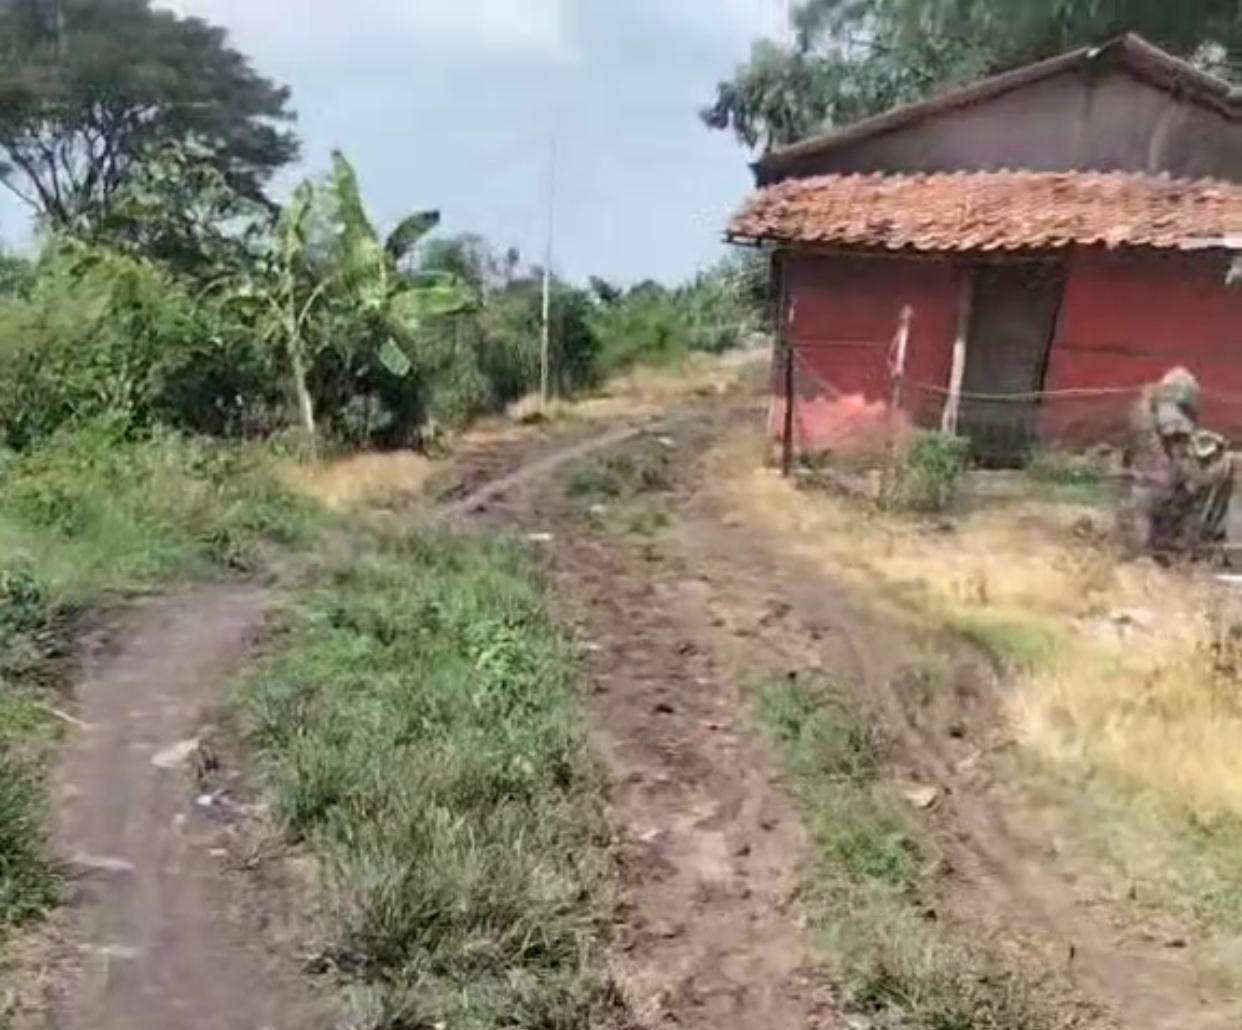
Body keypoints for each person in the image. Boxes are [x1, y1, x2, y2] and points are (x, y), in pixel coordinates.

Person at [1121, 368, 1233, 558]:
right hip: (1160, 494)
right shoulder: (1171, 416)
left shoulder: (1145, 410)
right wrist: (1216, 463)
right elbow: (1186, 467)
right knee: (1225, 468)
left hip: (1137, 489)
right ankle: (1198, 542)